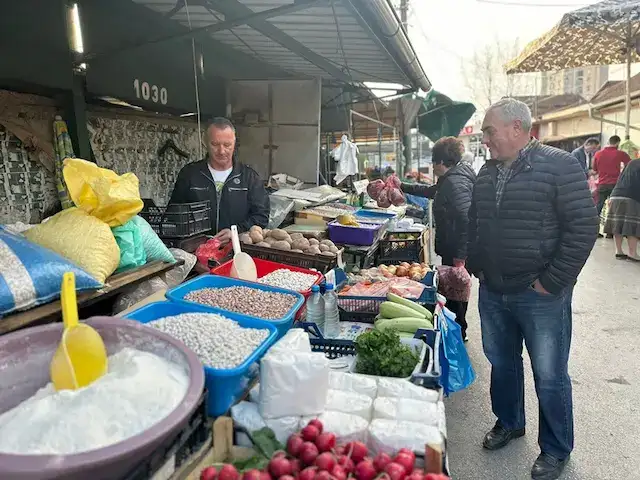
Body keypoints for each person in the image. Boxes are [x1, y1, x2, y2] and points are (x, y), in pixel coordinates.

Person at [467, 98, 598, 480]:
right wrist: (476, 263)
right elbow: (477, 220)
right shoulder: (487, 171)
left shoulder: (559, 166)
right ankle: (509, 421)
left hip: (539, 293)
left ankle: (556, 449)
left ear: (517, 129)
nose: (485, 138)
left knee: (549, 373)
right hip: (494, 289)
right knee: (502, 362)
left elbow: (582, 229)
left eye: (490, 130)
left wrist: (552, 282)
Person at [401, 136, 476, 340]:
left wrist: (460, 257)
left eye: (434, 162)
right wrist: (403, 186)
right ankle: (455, 328)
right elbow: (430, 191)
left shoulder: (455, 183)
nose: (432, 167)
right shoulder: (453, 177)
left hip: (457, 248)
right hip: (453, 245)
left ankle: (458, 331)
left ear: (441, 162)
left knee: (456, 291)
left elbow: (465, 219)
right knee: (452, 289)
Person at [168, 117, 269, 244]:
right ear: (205, 143)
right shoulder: (189, 174)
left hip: (237, 249)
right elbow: (173, 213)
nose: (221, 151)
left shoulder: (249, 177)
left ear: (234, 143)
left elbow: (261, 216)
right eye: (215, 144)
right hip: (198, 250)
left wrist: (236, 231)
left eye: (227, 145)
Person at [603, 159, 640, 261]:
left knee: (617, 224)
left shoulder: (632, 162)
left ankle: (618, 251)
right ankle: (632, 254)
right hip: (633, 196)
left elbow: (620, 178)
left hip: (616, 194)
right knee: (632, 225)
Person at [592, 135, 631, 216]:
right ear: (618, 143)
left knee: (598, 206)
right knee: (616, 207)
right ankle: (614, 224)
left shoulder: (598, 154)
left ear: (608, 142)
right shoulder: (621, 154)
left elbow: (594, 169)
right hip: (615, 184)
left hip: (602, 184)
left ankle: (593, 223)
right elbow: (630, 166)